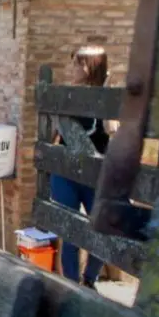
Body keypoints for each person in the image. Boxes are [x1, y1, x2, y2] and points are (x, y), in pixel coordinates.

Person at [50, 46, 117, 288]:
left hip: (95, 174)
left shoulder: (107, 98)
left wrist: (106, 101)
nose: (71, 69)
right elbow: (54, 135)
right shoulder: (67, 96)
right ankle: (70, 283)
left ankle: (89, 280)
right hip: (67, 172)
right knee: (70, 230)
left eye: (76, 64)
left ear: (89, 68)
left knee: (102, 228)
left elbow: (112, 131)